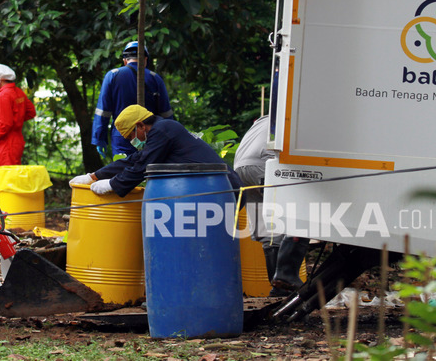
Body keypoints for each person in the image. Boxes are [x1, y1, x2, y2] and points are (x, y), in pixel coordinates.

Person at [72, 105, 240, 197]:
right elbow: (134, 160)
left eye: (131, 136)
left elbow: (143, 166)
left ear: (140, 125)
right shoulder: (162, 130)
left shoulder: (162, 131)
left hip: (221, 189)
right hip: (216, 188)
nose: (132, 142)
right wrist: (94, 176)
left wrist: (112, 184)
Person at [233, 114, 308, 294]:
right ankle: (285, 278)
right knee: (301, 214)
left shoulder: (269, 117)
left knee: (269, 233)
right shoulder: (297, 117)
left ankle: (279, 289)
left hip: (240, 167)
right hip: (265, 165)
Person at [91, 41, 173, 158]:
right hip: (150, 135)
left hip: (123, 135)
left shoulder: (113, 76)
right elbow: (166, 114)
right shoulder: (155, 78)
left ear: (125, 60)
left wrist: (99, 139)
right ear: (145, 60)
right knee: (149, 171)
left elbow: (103, 112)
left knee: (123, 171)